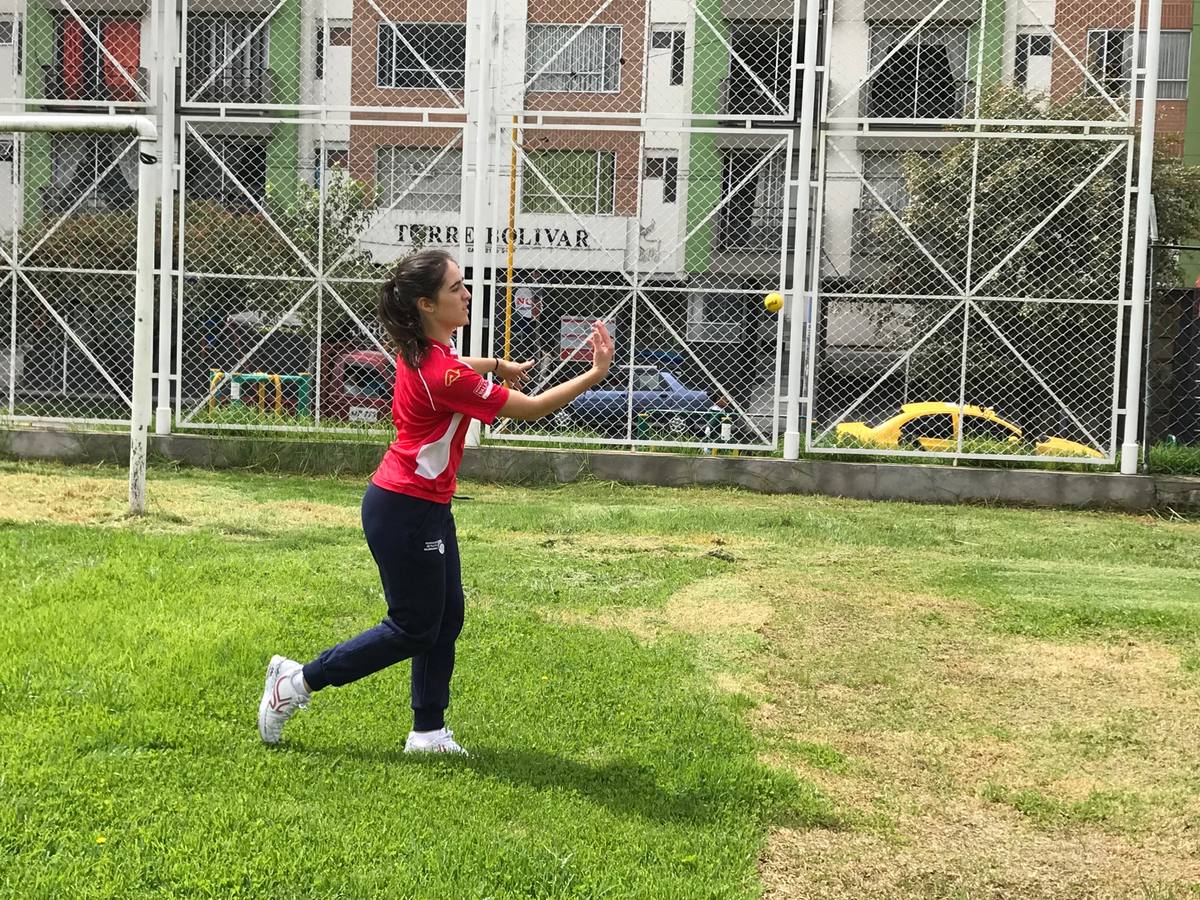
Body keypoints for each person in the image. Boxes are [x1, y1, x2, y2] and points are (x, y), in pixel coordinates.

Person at [257, 249, 614, 754]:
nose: (467, 295)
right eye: (455, 289)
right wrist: (595, 373)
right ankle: (295, 683)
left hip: (419, 505)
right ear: (426, 304)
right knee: (412, 626)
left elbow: (456, 366)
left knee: (445, 618)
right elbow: (532, 409)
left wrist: (495, 363)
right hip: (405, 509)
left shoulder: (423, 353)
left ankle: (427, 732)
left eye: (463, 285)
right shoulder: (443, 375)